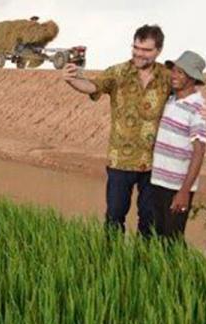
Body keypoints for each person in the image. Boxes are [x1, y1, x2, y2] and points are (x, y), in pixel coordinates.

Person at [60, 25, 171, 235]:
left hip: (154, 162)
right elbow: (93, 86)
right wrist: (72, 80)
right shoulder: (117, 73)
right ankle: (112, 253)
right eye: (136, 47)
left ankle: (143, 255)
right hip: (120, 160)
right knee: (114, 216)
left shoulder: (166, 77)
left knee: (149, 220)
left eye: (146, 50)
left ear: (158, 50)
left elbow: (187, 96)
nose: (139, 53)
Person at [148, 51, 206, 244]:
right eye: (174, 70)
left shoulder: (199, 109)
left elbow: (199, 152)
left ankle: (181, 266)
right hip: (159, 182)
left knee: (173, 240)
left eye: (180, 73)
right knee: (159, 238)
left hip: (177, 187)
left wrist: (184, 192)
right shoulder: (171, 100)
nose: (174, 75)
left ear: (192, 78)